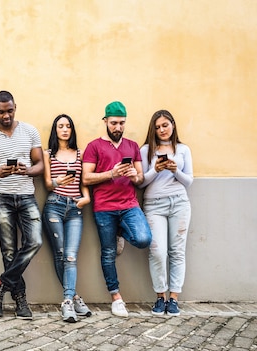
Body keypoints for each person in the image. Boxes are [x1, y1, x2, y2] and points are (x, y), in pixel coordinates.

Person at [0, 90, 44, 320]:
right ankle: (20, 301)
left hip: (26, 194)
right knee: (8, 251)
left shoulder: (30, 131)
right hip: (1, 196)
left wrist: (27, 170)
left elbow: (40, 165)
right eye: (1, 112)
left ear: (16, 107)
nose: (6, 115)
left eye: (10, 111)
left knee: (35, 241)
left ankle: (0, 286)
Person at [82, 101, 152, 317]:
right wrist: (111, 174)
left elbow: (140, 178)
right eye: (113, 123)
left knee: (143, 239)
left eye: (121, 123)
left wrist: (134, 176)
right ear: (105, 121)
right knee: (108, 252)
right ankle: (116, 297)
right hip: (104, 208)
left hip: (129, 205)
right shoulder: (94, 147)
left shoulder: (132, 146)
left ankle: (121, 232)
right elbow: (86, 177)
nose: (118, 127)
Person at [139, 110, 193, 316]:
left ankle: (174, 298)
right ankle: (160, 296)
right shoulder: (146, 150)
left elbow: (189, 180)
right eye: (158, 127)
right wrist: (157, 170)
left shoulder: (183, 149)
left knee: (177, 251)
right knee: (157, 252)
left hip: (179, 203)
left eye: (165, 125)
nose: (162, 130)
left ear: (172, 125)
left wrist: (174, 170)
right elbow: (142, 181)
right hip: (154, 205)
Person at [41, 114, 92, 323]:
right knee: (61, 253)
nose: (65, 130)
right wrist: (57, 180)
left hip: (75, 208)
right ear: (55, 130)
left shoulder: (80, 153)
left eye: (68, 126)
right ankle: (73, 299)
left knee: (70, 255)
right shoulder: (48, 154)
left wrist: (86, 198)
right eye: (61, 126)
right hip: (54, 204)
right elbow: (46, 183)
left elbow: (83, 182)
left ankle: (68, 301)